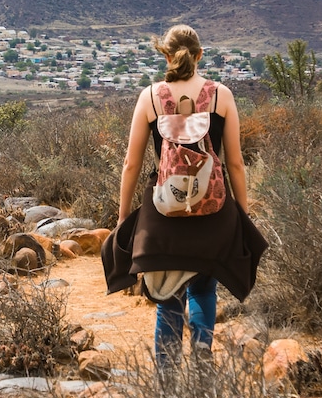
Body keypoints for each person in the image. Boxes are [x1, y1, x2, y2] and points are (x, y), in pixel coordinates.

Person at [111, 24, 258, 368]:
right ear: (200, 55)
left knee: (167, 296)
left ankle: (167, 378)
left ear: (165, 55)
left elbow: (131, 164)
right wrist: (243, 215)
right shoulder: (221, 95)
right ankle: (202, 352)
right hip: (213, 211)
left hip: (164, 214)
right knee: (204, 288)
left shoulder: (150, 97)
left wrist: (123, 216)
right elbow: (235, 163)